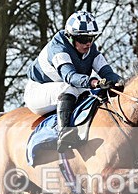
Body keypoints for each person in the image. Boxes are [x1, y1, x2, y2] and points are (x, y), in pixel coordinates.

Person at [25, 10, 123, 151]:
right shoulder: (58, 47)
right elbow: (70, 76)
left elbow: (107, 73)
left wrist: (122, 83)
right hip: (38, 91)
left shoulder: (91, 49)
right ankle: (64, 134)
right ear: (70, 37)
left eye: (91, 38)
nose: (88, 43)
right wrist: (94, 82)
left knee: (92, 93)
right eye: (83, 39)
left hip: (65, 88)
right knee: (69, 88)